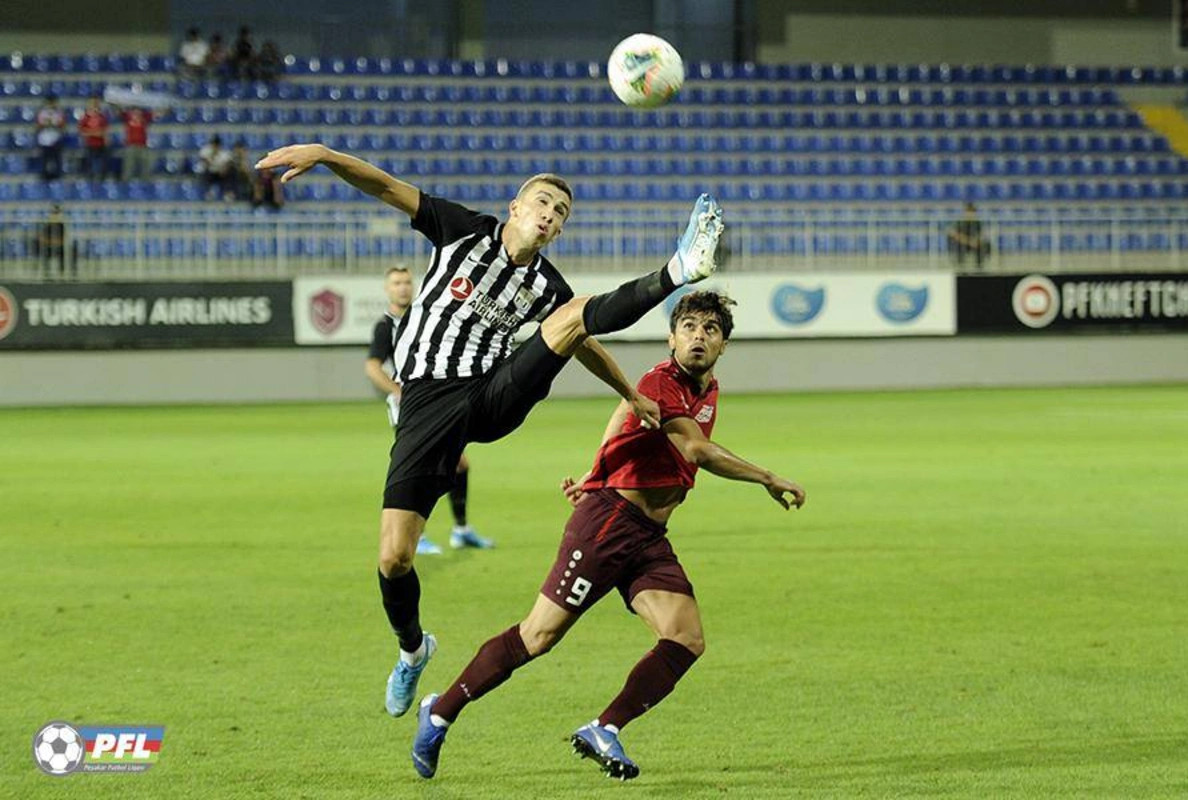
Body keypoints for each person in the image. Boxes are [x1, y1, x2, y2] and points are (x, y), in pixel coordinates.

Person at [254, 143, 725, 721]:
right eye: (543, 203)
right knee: (394, 557)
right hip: (427, 405)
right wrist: (326, 156)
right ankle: (412, 650)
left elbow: (578, 334)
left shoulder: (545, 285)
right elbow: (384, 185)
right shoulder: (461, 231)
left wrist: (629, 393)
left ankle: (676, 271)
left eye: (561, 213)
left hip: (492, 395)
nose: (550, 215)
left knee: (574, 312)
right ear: (515, 207)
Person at [408, 291, 806, 781]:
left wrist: (594, 472)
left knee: (685, 638)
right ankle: (441, 711)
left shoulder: (707, 390)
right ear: (670, 337)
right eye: (689, 327)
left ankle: (606, 728)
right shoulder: (659, 382)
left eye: (710, 329)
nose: (698, 336)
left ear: (723, 345)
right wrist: (767, 477)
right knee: (537, 637)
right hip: (608, 526)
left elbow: (621, 423)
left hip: (648, 536)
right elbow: (696, 452)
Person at [365, 266, 492, 555]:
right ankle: (414, 535)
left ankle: (461, 530)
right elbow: (372, 366)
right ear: (388, 289)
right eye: (396, 283)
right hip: (409, 409)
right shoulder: (386, 326)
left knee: (459, 464)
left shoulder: (421, 318)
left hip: (435, 404)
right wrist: (398, 391)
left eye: (407, 282)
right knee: (420, 469)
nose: (403, 288)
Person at [947, 202, 991, 269]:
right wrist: (968, 241)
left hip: (974, 244)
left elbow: (982, 234)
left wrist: (977, 241)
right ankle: (960, 267)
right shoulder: (960, 222)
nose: (970, 214)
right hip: (963, 244)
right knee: (959, 245)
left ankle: (979, 266)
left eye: (972, 212)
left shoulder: (977, 223)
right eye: (968, 211)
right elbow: (953, 233)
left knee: (984, 245)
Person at [35, 94, 66, 181]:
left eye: (53, 102)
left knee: (57, 159)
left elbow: (63, 126)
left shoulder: (59, 113)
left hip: (56, 138)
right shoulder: (42, 113)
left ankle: (58, 176)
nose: (51, 104)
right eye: (49, 102)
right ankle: (45, 175)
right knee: (45, 159)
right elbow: (38, 126)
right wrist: (45, 124)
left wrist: (54, 124)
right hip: (44, 139)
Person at [119, 106, 153, 182]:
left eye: (139, 111)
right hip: (130, 146)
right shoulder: (127, 118)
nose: (137, 113)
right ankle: (126, 183)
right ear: (131, 112)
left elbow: (158, 113)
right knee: (128, 165)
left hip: (143, 145)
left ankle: (145, 183)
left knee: (145, 166)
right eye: (134, 111)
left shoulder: (146, 118)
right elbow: (118, 111)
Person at [197, 135, 234, 200]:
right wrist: (213, 156)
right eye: (214, 145)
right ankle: (209, 193)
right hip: (210, 172)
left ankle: (228, 193)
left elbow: (228, 163)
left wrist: (223, 169)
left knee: (230, 174)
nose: (215, 147)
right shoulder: (206, 151)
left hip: (220, 174)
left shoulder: (224, 153)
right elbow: (205, 161)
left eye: (217, 145)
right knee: (207, 173)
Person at [37, 204, 68, 279]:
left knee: (65, 252)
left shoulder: (61, 225)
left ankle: (62, 274)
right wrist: (51, 242)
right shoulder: (47, 225)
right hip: (48, 247)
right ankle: (46, 274)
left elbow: (64, 238)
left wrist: (56, 242)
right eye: (54, 213)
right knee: (45, 252)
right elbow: (42, 238)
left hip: (59, 247)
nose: (55, 215)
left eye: (57, 213)